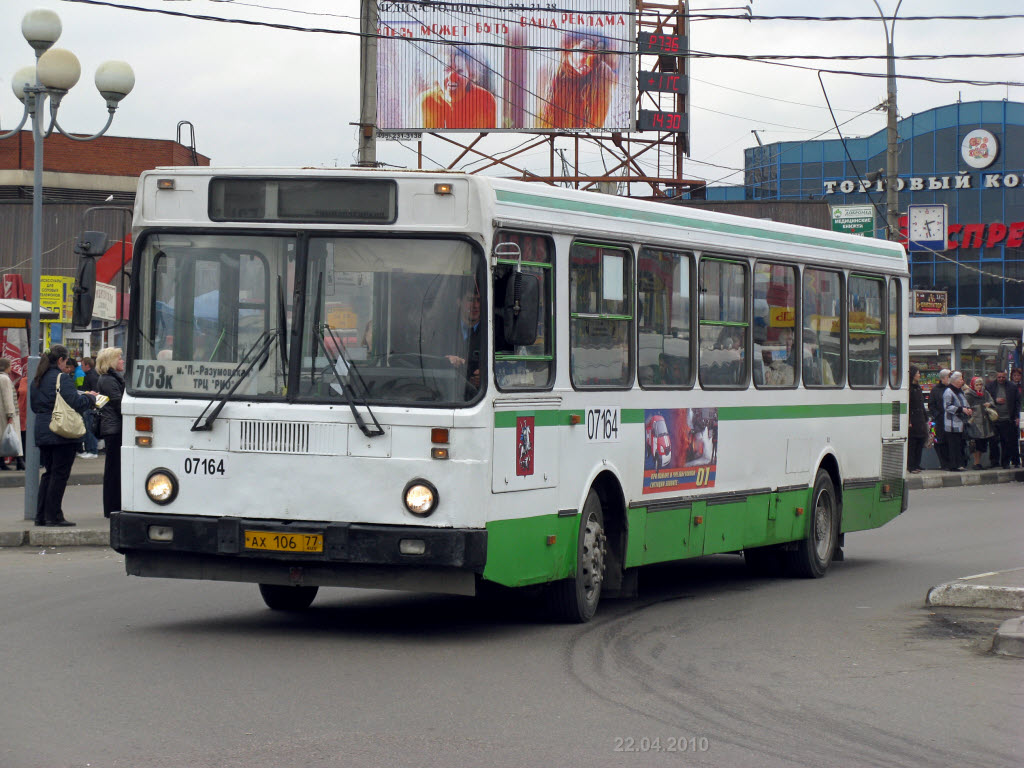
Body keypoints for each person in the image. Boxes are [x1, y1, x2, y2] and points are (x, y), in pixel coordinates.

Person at [31, 345, 96, 526]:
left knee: (48, 473)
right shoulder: (62, 378)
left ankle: (41, 515)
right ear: (60, 360)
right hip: (61, 432)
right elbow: (76, 402)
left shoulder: (37, 379)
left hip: (43, 431)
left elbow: (34, 406)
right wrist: (91, 398)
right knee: (59, 475)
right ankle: (54, 516)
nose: (67, 364)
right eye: (66, 361)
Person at [538, 33, 617, 129]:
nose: (589, 60)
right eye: (584, 50)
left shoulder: (604, 74)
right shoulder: (548, 73)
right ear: (569, 47)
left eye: (597, 54)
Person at [420, 46, 497, 129]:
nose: (452, 77)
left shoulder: (485, 100)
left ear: (470, 74)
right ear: (435, 73)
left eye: (460, 71)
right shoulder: (426, 101)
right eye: (446, 70)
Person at [96, 347, 126, 518]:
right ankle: (112, 506)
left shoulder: (113, 378)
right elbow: (118, 403)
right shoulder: (108, 380)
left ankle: (115, 504)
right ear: (111, 362)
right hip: (114, 429)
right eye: (119, 358)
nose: (122, 361)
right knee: (113, 469)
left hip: (113, 427)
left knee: (115, 468)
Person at [445, 285, 482, 394]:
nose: (475, 305)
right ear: (459, 302)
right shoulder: (443, 327)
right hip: (448, 392)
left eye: (479, 300)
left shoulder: (496, 328)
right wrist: (448, 360)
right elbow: (432, 359)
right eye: (470, 300)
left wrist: (485, 375)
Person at [986, 369, 1021, 469]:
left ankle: (1005, 462)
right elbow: (986, 400)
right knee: (993, 442)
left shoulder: (1012, 387)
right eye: (999, 377)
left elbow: (1017, 402)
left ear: (1006, 376)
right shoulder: (990, 386)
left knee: (1006, 442)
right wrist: (995, 401)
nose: (1001, 379)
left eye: (1003, 377)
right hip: (994, 418)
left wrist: (1017, 416)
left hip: (1007, 418)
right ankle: (994, 462)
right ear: (996, 377)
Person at [941, 371, 972, 472]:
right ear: (955, 380)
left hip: (961, 423)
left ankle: (960, 463)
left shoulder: (960, 391)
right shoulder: (948, 391)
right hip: (952, 424)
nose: (962, 381)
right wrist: (961, 409)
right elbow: (947, 406)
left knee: (960, 444)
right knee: (953, 445)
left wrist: (968, 408)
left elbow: (964, 402)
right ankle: (954, 465)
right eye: (961, 379)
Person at [964, 375, 996, 469]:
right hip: (974, 422)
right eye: (977, 384)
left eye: (980, 384)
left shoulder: (985, 393)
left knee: (982, 443)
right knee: (975, 442)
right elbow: (966, 406)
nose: (979, 386)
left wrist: (989, 404)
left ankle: (978, 462)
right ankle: (976, 462)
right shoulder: (969, 394)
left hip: (985, 422)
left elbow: (992, 401)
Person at [0, 358, 23, 471]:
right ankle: (19, 461)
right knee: (14, 438)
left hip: (1, 412)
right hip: (7, 414)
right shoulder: (5, 379)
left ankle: (2, 463)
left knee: (3, 438)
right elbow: (8, 397)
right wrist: (10, 414)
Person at [928, 368, 952, 470]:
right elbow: (931, 405)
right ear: (943, 378)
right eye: (948, 377)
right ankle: (944, 463)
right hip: (939, 422)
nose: (950, 379)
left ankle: (951, 463)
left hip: (951, 421)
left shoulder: (952, 388)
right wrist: (938, 415)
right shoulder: (935, 390)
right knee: (939, 442)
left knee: (950, 442)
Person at [77, 356, 100, 459]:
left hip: (90, 406)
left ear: (87, 365)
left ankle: (92, 450)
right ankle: (90, 449)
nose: (81, 367)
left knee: (89, 428)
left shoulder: (91, 377)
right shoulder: (92, 375)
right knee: (88, 427)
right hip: (90, 404)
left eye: (82, 365)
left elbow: (95, 391)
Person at [907, 365, 928, 473]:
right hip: (913, 418)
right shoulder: (909, 389)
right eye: (918, 373)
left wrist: (925, 416)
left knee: (920, 441)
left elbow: (921, 404)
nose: (919, 375)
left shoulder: (918, 388)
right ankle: (911, 466)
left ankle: (917, 463)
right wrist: (909, 420)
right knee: (913, 443)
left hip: (920, 417)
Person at [16, 372, 27, 468]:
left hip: (24, 413)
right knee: (22, 437)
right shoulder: (24, 381)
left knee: (23, 437)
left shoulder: (23, 381)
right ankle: (21, 460)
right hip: (22, 413)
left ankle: (21, 461)